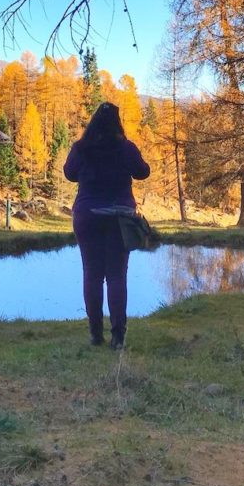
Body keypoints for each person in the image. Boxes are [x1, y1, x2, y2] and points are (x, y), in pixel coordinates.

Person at [64, 102, 150, 349]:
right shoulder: (126, 148)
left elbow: (69, 173)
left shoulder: (81, 148)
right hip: (120, 218)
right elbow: (142, 172)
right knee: (116, 276)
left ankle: (95, 335)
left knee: (92, 274)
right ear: (117, 121)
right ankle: (118, 338)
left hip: (87, 215)